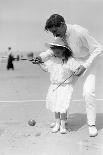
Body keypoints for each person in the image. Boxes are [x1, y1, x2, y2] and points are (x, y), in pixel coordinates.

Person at [37, 14, 103, 137]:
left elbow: (98, 48)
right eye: (52, 33)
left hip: (89, 62)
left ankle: (92, 124)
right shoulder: (60, 35)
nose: (54, 35)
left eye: (55, 31)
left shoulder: (79, 32)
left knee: (88, 92)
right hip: (73, 63)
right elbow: (52, 50)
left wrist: (85, 66)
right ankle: (62, 121)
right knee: (62, 90)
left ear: (62, 24)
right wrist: (40, 57)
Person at [32, 43, 80, 134]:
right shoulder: (52, 60)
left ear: (64, 49)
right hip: (54, 85)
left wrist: (77, 70)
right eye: (54, 50)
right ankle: (57, 123)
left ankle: (62, 125)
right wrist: (38, 64)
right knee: (55, 105)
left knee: (62, 106)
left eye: (58, 50)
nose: (55, 52)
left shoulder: (70, 60)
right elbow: (46, 68)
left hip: (65, 86)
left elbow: (78, 68)